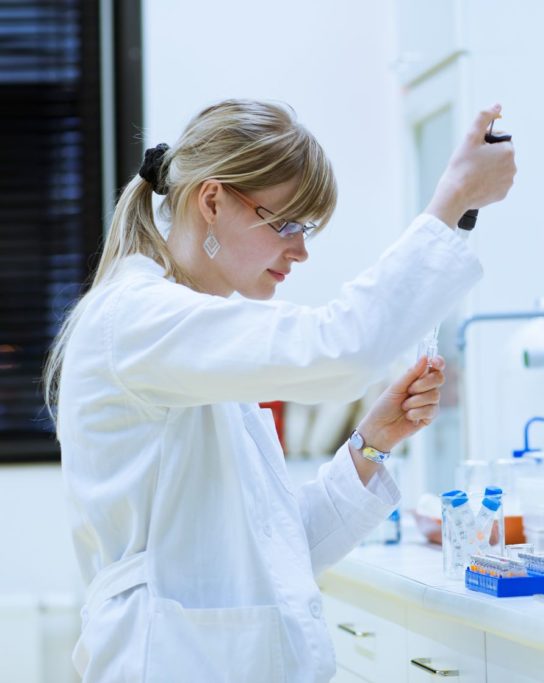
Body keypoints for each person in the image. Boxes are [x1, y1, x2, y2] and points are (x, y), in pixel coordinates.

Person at [43, 98, 515, 682]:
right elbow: (341, 348)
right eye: (285, 223)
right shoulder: (140, 320)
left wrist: (371, 443)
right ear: (211, 200)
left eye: (306, 228)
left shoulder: (192, 338)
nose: (299, 249)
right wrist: (452, 202)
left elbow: (277, 550)